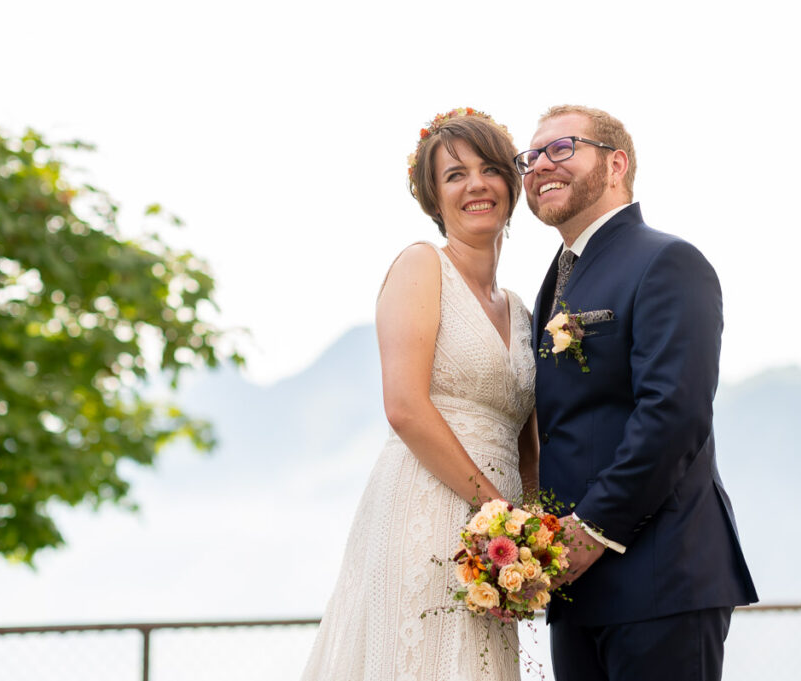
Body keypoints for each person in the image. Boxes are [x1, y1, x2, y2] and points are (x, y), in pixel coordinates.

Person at [520, 105, 758, 681]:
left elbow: (672, 415)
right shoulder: (556, 279)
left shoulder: (668, 261)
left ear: (615, 164)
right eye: (530, 157)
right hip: (577, 589)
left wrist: (589, 531)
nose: (538, 166)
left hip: (661, 576)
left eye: (561, 148)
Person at [301, 108, 538, 680]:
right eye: (454, 175)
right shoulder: (420, 265)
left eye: (488, 169)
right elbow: (404, 407)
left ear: (511, 181)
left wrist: (533, 529)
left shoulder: (525, 310)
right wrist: (493, 506)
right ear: (434, 198)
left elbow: (530, 439)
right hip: (424, 510)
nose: (475, 184)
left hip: (498, 536)